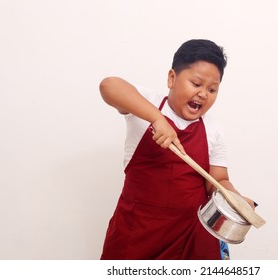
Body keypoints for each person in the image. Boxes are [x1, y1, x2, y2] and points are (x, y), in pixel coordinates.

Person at [99, 39, 256, 260]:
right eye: (196, 84)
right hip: (137, 233)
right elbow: (109, 85)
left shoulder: (213, 129)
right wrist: (157, 118)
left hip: (192, 235)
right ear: (172, 78)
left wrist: (235, 199)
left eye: (212, 89)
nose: (203, 94)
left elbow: (218, 180)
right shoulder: (146, 104)